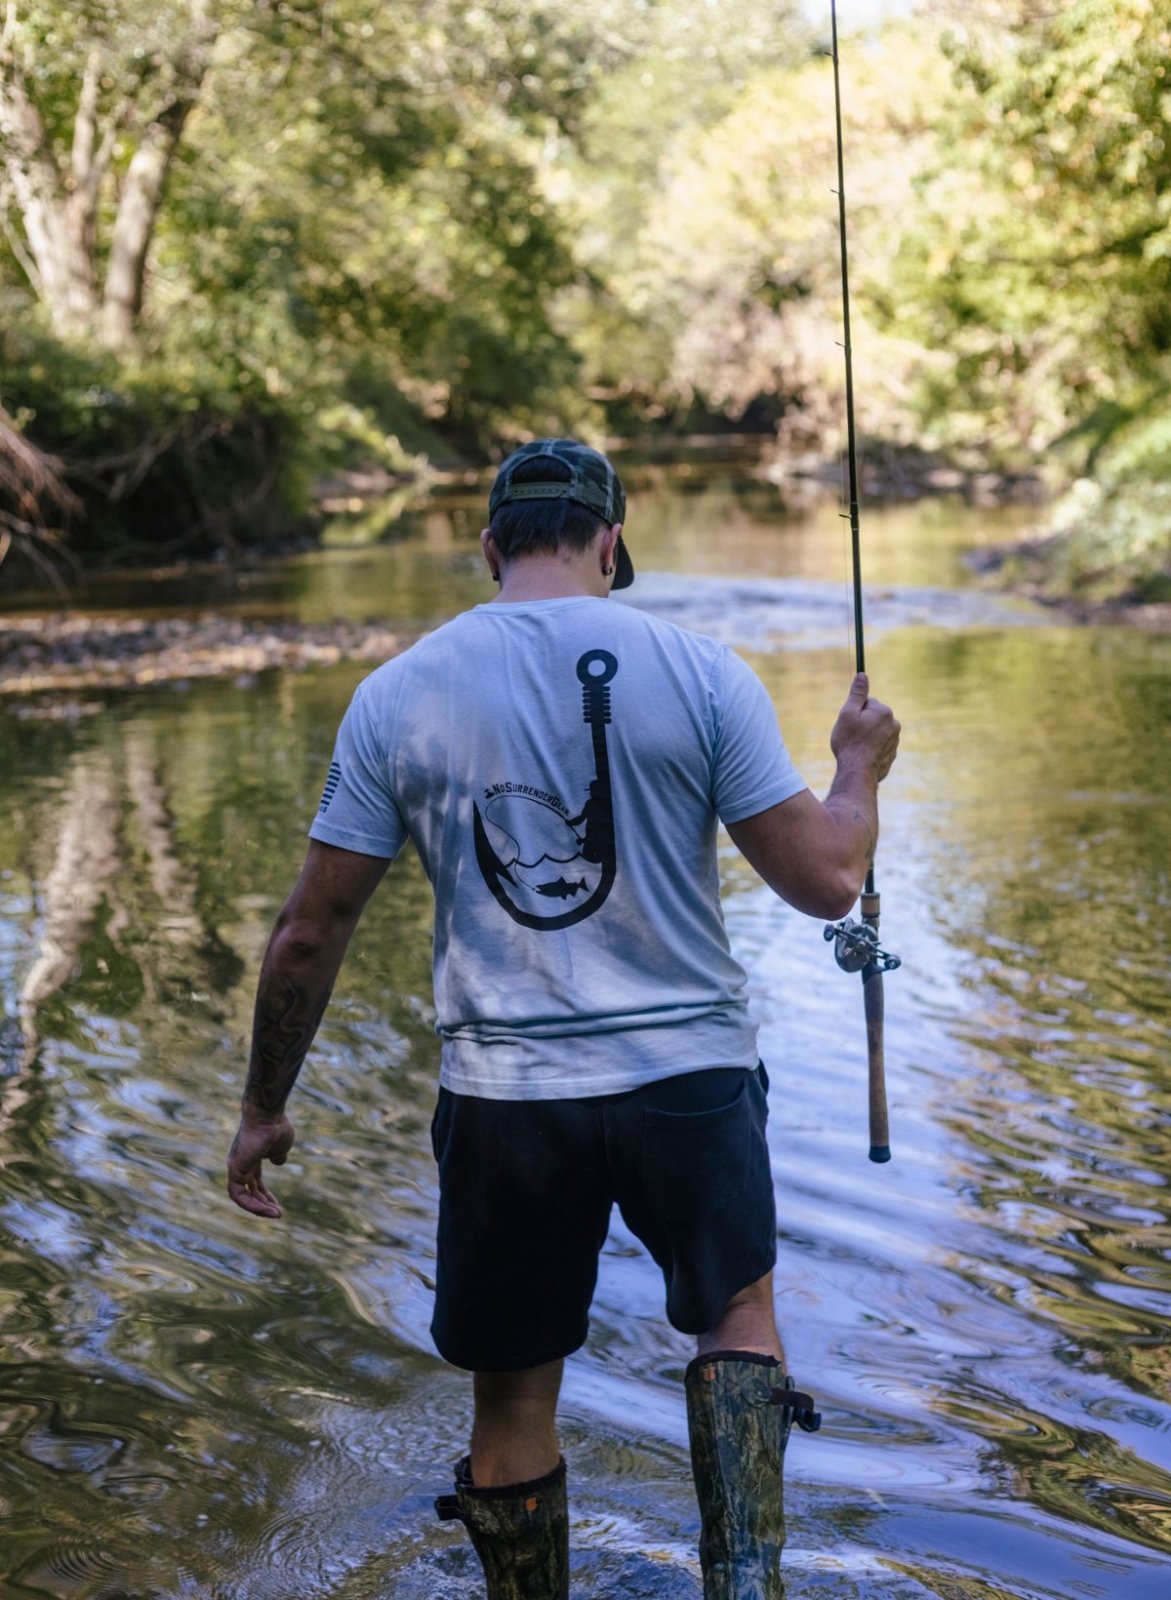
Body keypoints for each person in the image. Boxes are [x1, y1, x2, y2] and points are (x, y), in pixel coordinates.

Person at [226, 438, 900, 1600]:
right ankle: (746, 1583)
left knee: (512, 1391)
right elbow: (830, 878)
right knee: (737, 1317)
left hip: (504, 1102)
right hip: (689, 1078)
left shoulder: (400, 692)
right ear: (610, 543)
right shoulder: (700, 670)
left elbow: (306, 931)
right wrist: (858, 767)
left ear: (488, 549)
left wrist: (262, 1105)